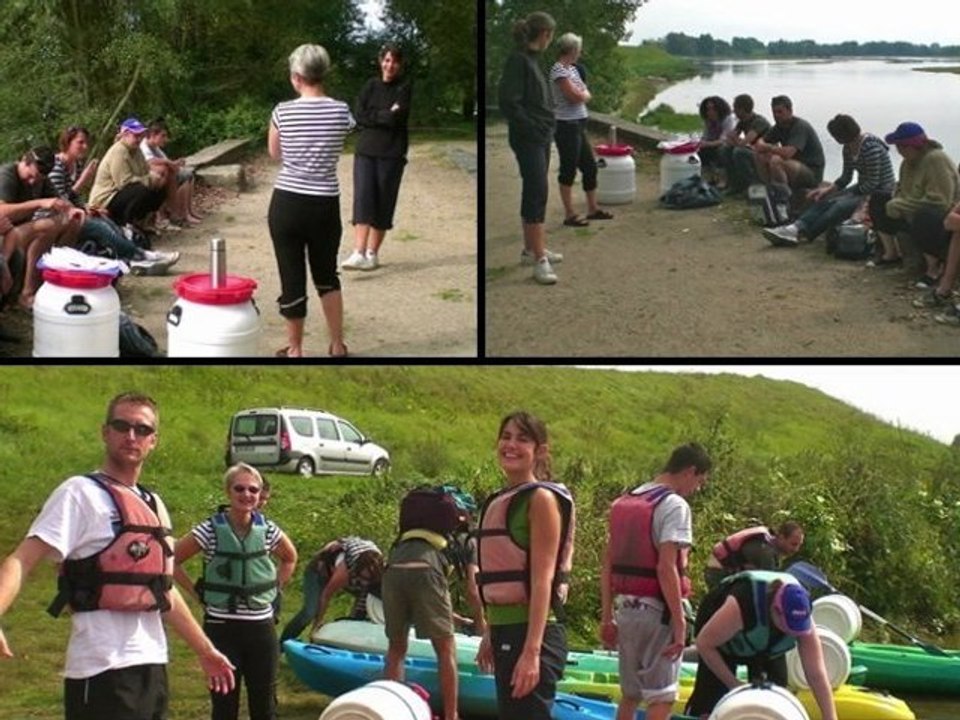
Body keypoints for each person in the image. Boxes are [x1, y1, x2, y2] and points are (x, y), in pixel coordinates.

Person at [0, 391, 236, 719]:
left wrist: (205, 650)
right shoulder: (79, 493)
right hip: (100, 669)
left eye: (142, 429)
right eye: (122, 426)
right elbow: (22, 559)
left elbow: (163, 589)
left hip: (152, 665)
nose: (131, 435)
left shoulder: (154, 504)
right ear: (105, 432)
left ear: (153, 440)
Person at [173, 463, 297, 720]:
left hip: (261, 629)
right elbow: (172, 560)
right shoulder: (209, 530)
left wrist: (274, 589)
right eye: (239, 489)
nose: (246, 494)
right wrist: (197, 594)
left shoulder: (268, 530)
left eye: (253, 490)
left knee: (264, 707)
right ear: (228, 491)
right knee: (224, 706)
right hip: (221, 629)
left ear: (260, 494)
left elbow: (290, 558)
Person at [600, 443, 712, 720]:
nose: (697, 488)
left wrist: (606, 617)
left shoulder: (624, 502)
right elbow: (666, 567)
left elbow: (608, 564)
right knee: (662, 697)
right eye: (700, 481)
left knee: (631, 694)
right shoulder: (674, 505)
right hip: (656, 613)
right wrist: (680, 622)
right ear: (690, 471)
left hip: (625, 609)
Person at [475, 411, 576, 720]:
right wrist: (490, 632)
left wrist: (532, 652)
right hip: (507, 631)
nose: (511, 445)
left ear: (540, 451)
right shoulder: (503, 498)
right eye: (505, 437)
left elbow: (542, 580)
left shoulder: (541, 499)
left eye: (522, 439)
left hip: (533, 634)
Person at [267, 44, 355, 358]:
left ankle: (295, 349)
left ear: (296, 76)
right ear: (323, 73)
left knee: (291, 277)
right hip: (324, 205)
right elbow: (346, 136)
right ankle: (337, 345)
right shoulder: (342, 111)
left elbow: (274, 153)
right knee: (327, 275)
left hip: (287, 203)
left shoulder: (282, 111)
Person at [382, 488, 482, 720]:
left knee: (396, 648)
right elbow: (472, 590)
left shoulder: (409, 534)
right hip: (428, 570)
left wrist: (455, 617)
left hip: (393, 568)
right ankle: (451, 715)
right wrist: (481, 624)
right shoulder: (468, 540)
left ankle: (391, 713)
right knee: (445, 649)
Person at [684, 571, 838, 720]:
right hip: (720, 641)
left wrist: (830, 716)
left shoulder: (803, 616)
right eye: (790, 626)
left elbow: (816, 674)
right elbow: (704, 644)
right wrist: (734, 685)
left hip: (766, 647)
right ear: (776, 611)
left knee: (776, 696)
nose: (793, 633)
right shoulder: (742, 605)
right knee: (710, 699)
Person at [49, 125, 179, 274]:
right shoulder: (56, 166)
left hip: (75, 211)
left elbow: (74, 198)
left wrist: (88, 208)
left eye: (86, 143)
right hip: (58, 217)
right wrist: (83, 181)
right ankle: (142, 256)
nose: (85, 147)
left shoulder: (76, 164)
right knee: (100, 227)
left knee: (108, 222)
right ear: (67, 142)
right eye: (80, 142)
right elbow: (59, 202)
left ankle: (134, 257)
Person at [762, 115, 895, 248]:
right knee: (826, 200)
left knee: (838, 206)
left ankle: (805, 233)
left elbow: (873, 183)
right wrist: (827, 190)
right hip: (863, 187)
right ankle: (794, 228)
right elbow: (846, 177)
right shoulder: (848, 148)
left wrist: (846, 195)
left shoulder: (870, 148)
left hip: (879, 192)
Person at [498, 11, 562, 285]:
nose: (551, 40)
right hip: (529, 138)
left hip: (541, 136)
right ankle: (539, 260)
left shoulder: (534, 60)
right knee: (537, 192)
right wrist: (534, 128)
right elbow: (509, 103)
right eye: (551, 36)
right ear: (545, 34)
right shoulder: (519, 60)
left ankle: (531, 249)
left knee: (535, 191)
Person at [341, 43, 412, 272]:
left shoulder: (404, 88)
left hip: (392, 153)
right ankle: (358, 252)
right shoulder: (370, 86)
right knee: (363, 198)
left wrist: (376, 116)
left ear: (400, 65)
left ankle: (372, 254)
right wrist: (384, 114)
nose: (390, 65)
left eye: (395, 61)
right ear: (381, 61)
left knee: (384, 201)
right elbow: (359, 115)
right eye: (387, 60)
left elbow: (397, 118)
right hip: (366, 151)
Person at [872, 122, 960, 294]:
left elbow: (940, 201)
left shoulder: (935, 159)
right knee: (879, 199)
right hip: (912, 208)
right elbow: (901, 190)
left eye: (902, 146)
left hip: (939, 216)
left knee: (924, 215)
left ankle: (933, 268)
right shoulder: (907, 164)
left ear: (914, 146)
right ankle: (891, 253)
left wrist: (900, 204)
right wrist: (896, 199)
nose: (899, 151)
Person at [0, 146, 85, 308]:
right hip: (5, 234)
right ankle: (27, 293)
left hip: (19, 232)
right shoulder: (7, 174)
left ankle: (53, 281)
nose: (33, 182)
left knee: (71, 221)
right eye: (30, 176)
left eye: (38, 178)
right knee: (46, 226)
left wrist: (72, 210)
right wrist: (39, 203)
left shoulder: (42, 180)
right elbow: (1, 212)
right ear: (24, 161)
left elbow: (59, 202)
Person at [549, 32, 611, 228]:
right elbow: (574, 97)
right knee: (568, 169)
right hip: (566, 125)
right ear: (572, 49)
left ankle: (593, 209)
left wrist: (582, 94)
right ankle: (569, 214)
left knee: (590, 167)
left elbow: (585, 93)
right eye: (579, 50)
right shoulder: (559, 70)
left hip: (578, 124)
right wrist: (582, 95)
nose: (580, 53)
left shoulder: (573, 70)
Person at [278, 536, 383, 644]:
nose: (365, 583)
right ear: (357, 570)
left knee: (358, 618)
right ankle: (282, 643)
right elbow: (326, 596)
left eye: (368, 579)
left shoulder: (379, 572)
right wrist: (316, 626)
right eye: (363, 578)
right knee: (309, 613)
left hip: (351, 568)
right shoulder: (344, 572)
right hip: (318, 570)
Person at [88, 117, 170, 231]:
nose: (139, 139)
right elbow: (124, 183)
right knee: (140, 190)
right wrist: (150, 179)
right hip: (106, 198)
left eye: (141, 135)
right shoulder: (119, 151)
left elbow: (145, 171)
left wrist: (154, 179)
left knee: (160, 190)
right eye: (136, 136)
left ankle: (141, 223)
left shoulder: (137, 151)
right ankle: (126, 225)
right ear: (125, 135)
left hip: (121, 193)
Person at [753, 96, 825, 198]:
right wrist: (763, 145)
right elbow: (760, 142)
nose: (776, 115)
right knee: (759, 155)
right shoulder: (778, 127)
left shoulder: (800, 126)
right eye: (774, 112)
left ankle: (784, 197)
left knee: (776, 160)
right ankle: (769, 190)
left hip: (811, 170)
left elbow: (788, 153)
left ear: (790, 111)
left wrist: (769, 147)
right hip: (794, 165)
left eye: (780, 112)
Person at [703, 521, 804, 590]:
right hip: (718, 572)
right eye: (793, 544)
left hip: (725, 572)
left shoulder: (768, 544)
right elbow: (771, 586)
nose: (796, 550)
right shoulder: (766, 552)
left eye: (799, 545)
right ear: (781, 537)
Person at [140, 118, 203, 227]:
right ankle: (177, 213)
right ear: (153, 135)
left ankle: (188, 211)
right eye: (163, 136)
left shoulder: (155, 148)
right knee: (174, 174)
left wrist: (175, 163)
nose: (165, 139)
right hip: (153, 177)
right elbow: (150, 161)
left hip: (163, 174)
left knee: (188, 175)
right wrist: (169, 163)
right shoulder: (143, 146)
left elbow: (166, 160)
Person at [722, 94, 771, 195]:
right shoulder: (742, 122)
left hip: (764, 155)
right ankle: (734, 184)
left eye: (735, 108)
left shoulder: (759, 122)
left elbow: (744, 142)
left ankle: (753, 185)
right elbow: (730, 139)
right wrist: (734, 140)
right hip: (752, 151)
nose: (734, 111)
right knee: (725, 150)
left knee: (739, 152)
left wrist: (735, 140)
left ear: (742, 109)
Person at [697, 96, 737, 186]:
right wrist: (701, 143)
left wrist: (707, 144)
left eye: (713, 109)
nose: (710, 112)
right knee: (701, 151)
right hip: (713, 144)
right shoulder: (708, 121)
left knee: (721, 150)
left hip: (728, 146)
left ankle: (722, 179)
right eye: (708, 109)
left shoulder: (728, 119)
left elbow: (724, 140)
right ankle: (707, 177)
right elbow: (706, 136)